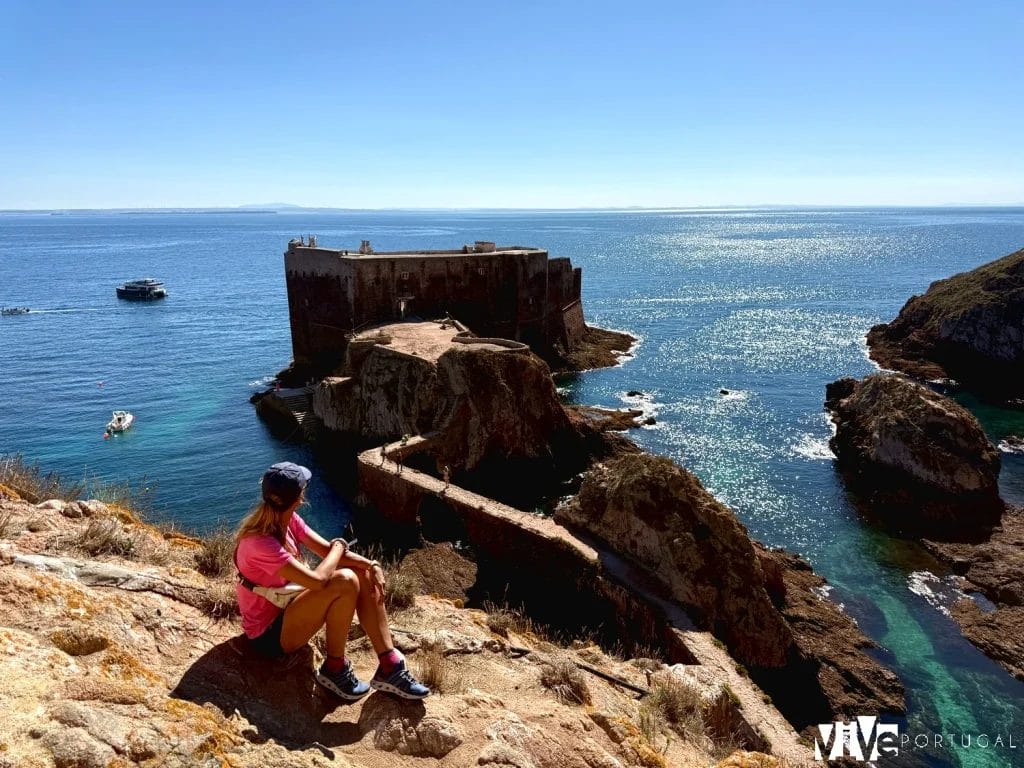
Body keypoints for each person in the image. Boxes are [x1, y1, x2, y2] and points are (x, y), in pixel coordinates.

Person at [234, 461, 429, 701]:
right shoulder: (260, 543)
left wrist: (370, 565)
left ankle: (389, 665)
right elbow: (318, 579)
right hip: (268, 637)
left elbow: (328, 551)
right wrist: (340, 545)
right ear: (298, 497)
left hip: (290, 610)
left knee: (361, 574)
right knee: (345, 580)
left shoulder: (287, 520)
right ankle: (334, 669)